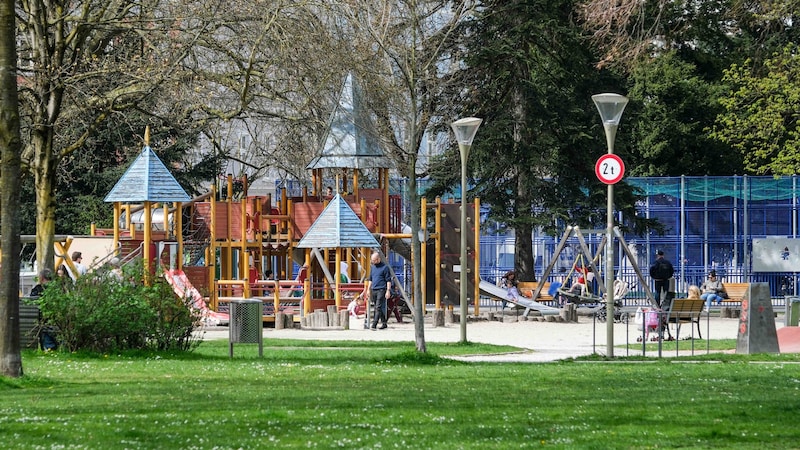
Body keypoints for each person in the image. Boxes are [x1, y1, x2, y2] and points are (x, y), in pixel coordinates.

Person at [363, 252, 392, 330]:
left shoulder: (385, 268)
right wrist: (368, 289)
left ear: (378, 259)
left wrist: (388, 290)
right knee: (377, 306)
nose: (373, 262)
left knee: (378, 307)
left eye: (374, 260)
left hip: (381, 289)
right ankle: (384, 323)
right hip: (374, 289)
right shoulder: (373, 267)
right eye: (372, 260)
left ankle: (374, 324)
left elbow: (388, 280)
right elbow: (371, 279)